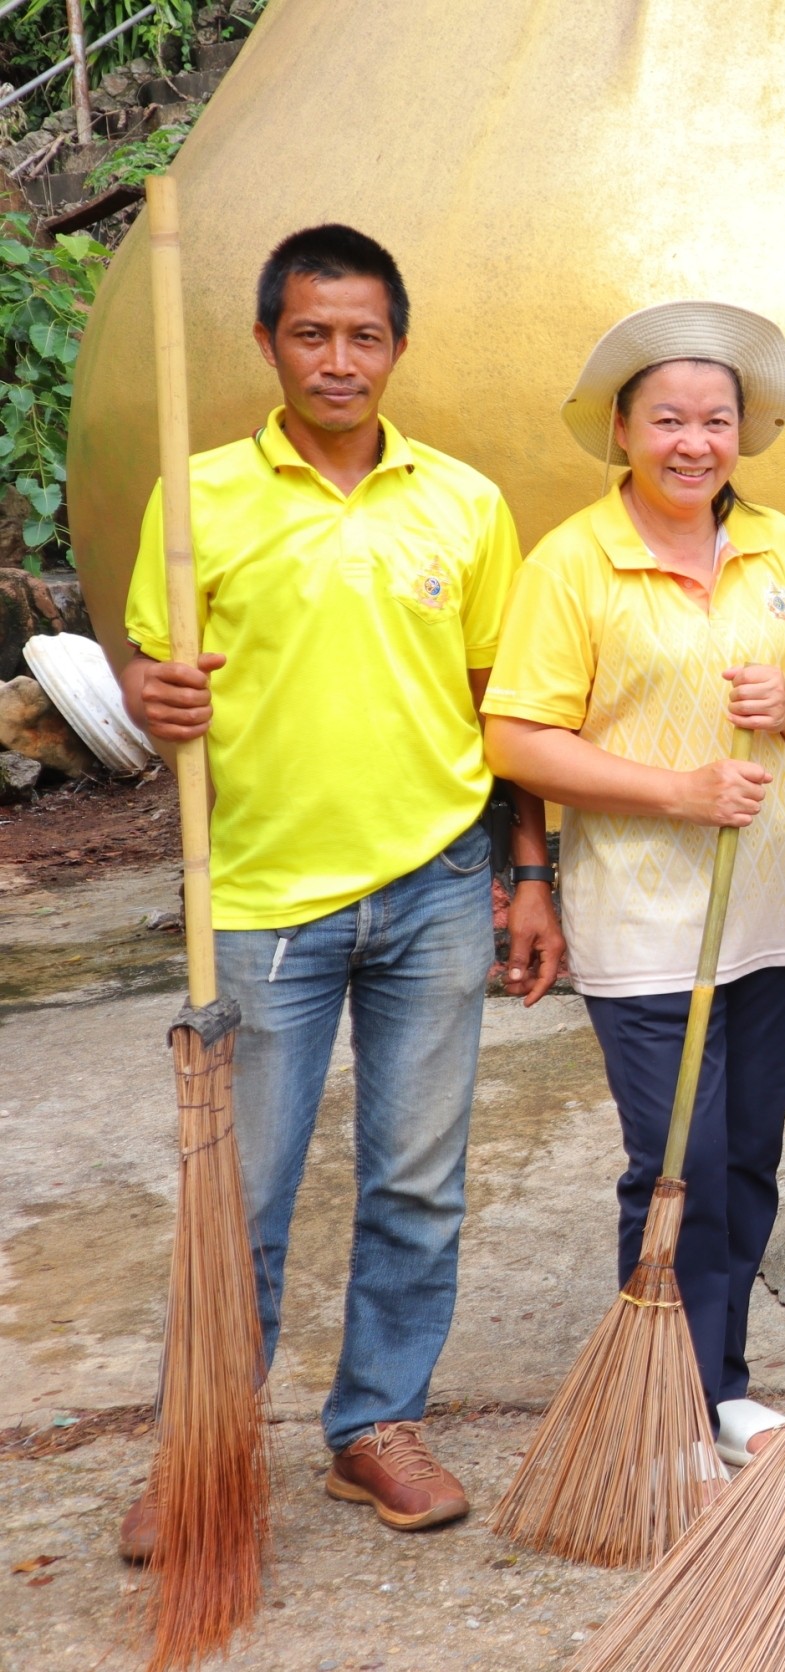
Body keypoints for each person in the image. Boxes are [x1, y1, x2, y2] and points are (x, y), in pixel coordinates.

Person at [117, 225, 563, 1550]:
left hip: (434, 885)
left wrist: (525, 874)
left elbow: (507, 710)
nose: (338, 359)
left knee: (419, 1181)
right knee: (240, 1194)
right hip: (258, 898)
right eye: (311, 333)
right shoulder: (195, 503)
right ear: (268, 345)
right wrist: (154, 700)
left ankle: (375, 1424)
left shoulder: (465, 504)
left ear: (398, 347)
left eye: (363, 334)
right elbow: (159, 691)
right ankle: (199, 1450)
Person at [483, 302, 785, 1469]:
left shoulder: (779, 549)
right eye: (668, 419)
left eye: (716, 419)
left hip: (775, 899)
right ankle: (657, 1399)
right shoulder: (574, 562)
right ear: (622, 428)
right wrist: (676, 791)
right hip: (647, 912)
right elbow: (517, 736)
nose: (694, 441)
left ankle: (723, 1382)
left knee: (748, 1152)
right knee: (674, 1162)